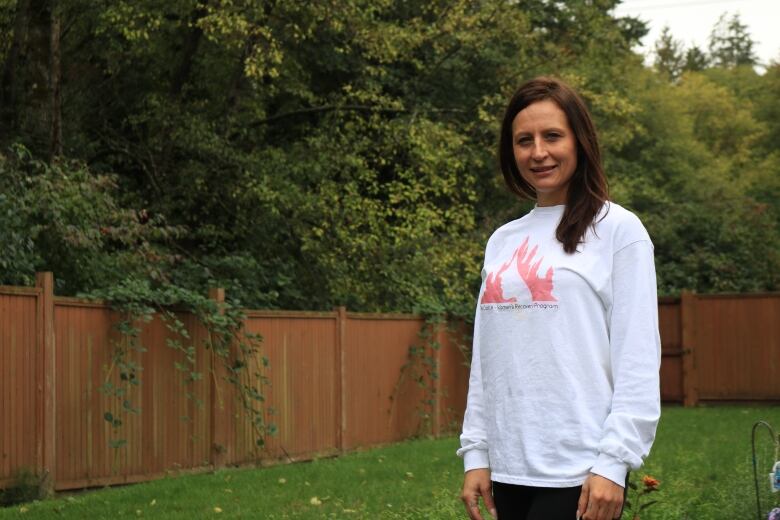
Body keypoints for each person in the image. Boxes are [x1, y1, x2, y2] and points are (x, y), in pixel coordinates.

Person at [457, 77, 661, 520]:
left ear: (580, 140)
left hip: (581, 471)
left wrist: (614, 462)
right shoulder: (502, 240)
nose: (538, 152)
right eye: (523, 140)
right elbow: (487, 359)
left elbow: (638, 358)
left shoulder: (618, 231)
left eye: (552, 136)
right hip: (510, 468)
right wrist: (477, 451)